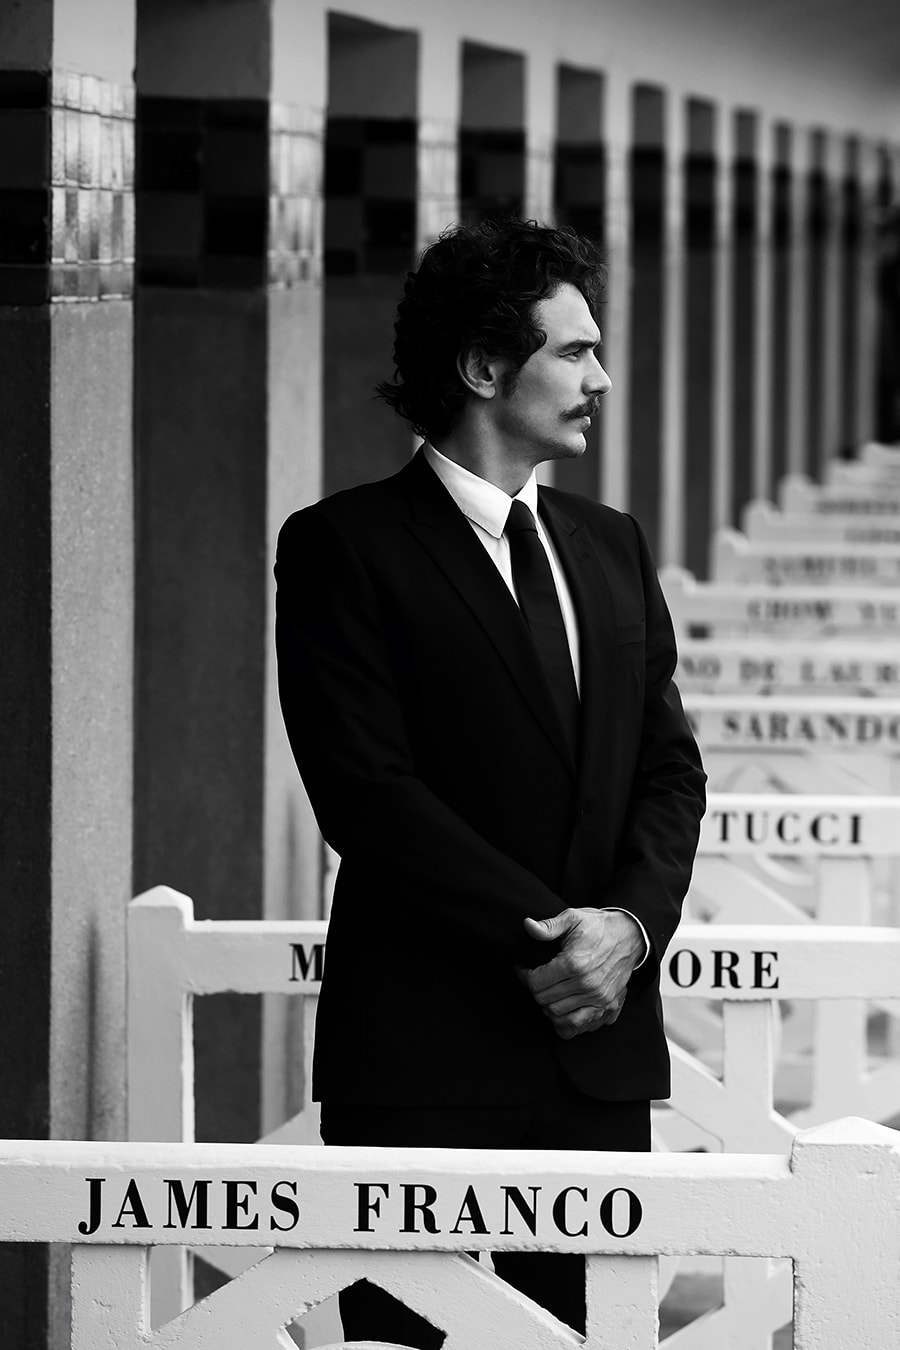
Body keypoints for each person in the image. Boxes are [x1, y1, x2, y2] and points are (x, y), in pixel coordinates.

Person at [275, 217, 706, 1345]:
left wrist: (628, 931)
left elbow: (669, 771)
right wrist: (554, 943)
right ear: (481, 366)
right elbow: (366, 794)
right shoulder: (342, 547)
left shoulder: (613, 543)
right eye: (575, 351)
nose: (599, 379)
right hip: (423, 1049)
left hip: (595, 1052)